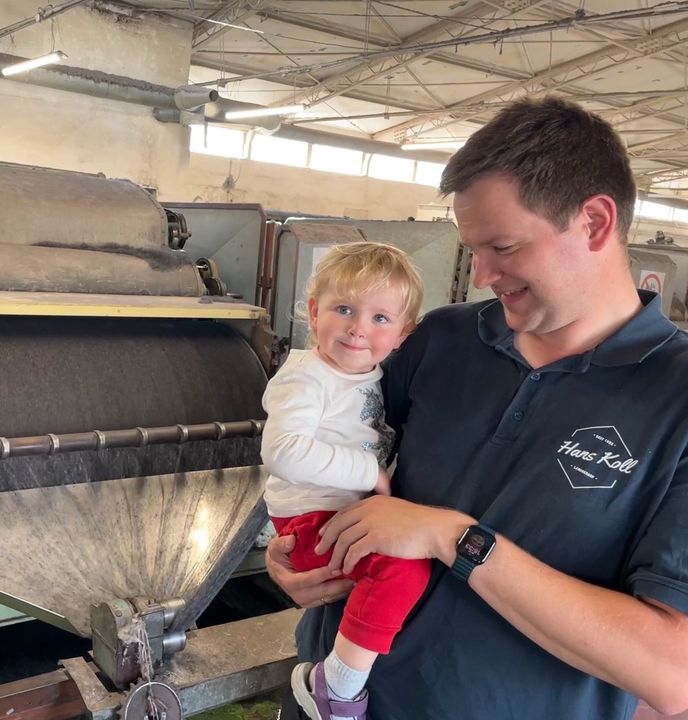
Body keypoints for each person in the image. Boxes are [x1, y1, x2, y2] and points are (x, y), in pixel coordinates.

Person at [266, 96, 688, 720]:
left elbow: (672, 672)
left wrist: (453, 538)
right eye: (473, 248)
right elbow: (328, 435)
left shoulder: (674, 397)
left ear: (595, 222)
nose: (483, 273)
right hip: (328, 703)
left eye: (505, 247)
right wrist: (292, 555)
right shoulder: (444, 339)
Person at [262, 242, 430, 720]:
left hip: (334, 509)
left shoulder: (367, 376)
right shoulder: (307, 378)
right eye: (344, 309)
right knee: (403, 569)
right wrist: (371, 473)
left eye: (380, 318)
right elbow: (282, 450)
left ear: (404, 333)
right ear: (314, 313)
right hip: (312, 515)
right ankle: (335, 686)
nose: (359, 327)